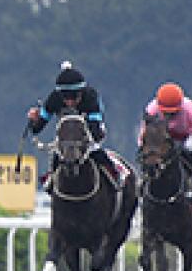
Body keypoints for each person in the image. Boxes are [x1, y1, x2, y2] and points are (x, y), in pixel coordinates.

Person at [26, 61, 126, 189]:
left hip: (89, 135)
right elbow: (37, 129)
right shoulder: (54, 99)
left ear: (81, 93)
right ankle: (52, 180)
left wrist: (83, 145)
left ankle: (115, 174)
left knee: (97, 152)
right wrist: (33, 119)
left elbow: (96, 133)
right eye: (65, 98)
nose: (69, 102)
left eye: (73, 97)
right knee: (57, 156)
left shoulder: (90, 97)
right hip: (66, 140)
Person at [138, 82, 192, 170]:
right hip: (164, 136)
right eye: (165, 112)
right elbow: (145, 133)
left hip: (187, 136)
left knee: (190, 147)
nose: (169, 115)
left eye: (173, 113)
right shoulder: (151, 110)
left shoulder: (191, 110)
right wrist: (143, 147)